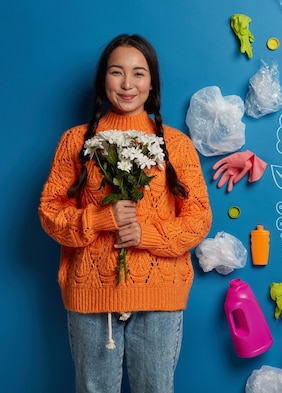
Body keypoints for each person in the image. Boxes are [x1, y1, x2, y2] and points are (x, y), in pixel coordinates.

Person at [38, 34, 212, 393]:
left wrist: (146, 235)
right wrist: (99, 219)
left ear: (152, 82)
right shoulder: (77, 141)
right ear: (104, 79)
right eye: (117, 72)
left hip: (159, 293)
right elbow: (50, 211)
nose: (128, 84)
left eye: (139, 73)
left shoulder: (175, 144)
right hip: (92, 293)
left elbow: (198, 218)